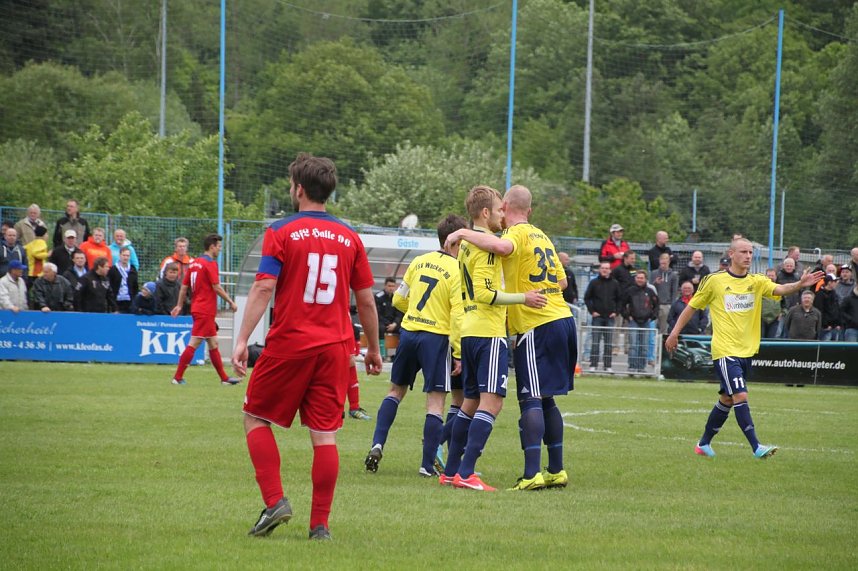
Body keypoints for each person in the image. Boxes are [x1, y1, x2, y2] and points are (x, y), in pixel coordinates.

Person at [230, 153, 383, 541]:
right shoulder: (350, 237)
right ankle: (320, 526)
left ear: (298, 189)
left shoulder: (281, 231)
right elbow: (366, 300)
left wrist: (242, 339)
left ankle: (275, 502)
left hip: (290, 343)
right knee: (324, 435)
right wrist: (373, 348)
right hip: (335, 348)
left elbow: (263, 287)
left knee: (255, 417)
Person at [444, 185, 575, 491]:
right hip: (562, 318)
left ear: (507, 207)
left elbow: (501, 250)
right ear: (529, 210)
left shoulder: (509, 236)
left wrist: (462, 233)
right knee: (544, 398)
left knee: (528, 398)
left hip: (533, 323)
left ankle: (529, 474)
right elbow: (563, 281)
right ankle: (555, 469)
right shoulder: (542, 235)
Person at [666, 237, 823, 460]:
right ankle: (756, 447)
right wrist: (674, 333)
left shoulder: (756, 281)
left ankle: (703, 444)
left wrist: (799, 284)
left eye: (750, 252)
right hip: (725, 351)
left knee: (727, 399)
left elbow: (780, 289)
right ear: (731, 254)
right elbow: (692, 307)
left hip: (747, 351)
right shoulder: (714, 281)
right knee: (740, 395)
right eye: (743, 252)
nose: (748, 256)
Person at [365, 214, 467, 478]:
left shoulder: (419, 261)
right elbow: (457, 315)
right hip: (436, 338)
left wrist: (417, 312)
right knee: (435, 403)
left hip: (409, 333)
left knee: (394, 392)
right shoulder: (458, 270)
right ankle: (426, 464)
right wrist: (458, 352)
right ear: (454, 242)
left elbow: (398, 300)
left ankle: (377, 443)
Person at [169, 234, 239, 386]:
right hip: (205, 309)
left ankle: (224, 379)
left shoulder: (194, 263)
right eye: (219, 246)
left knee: (213, 343)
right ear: (212, 247)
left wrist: (179, 305)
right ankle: (177, 377)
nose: (220, 249)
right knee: (194, 342)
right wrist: (231, 302)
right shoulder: (210, 264)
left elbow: (184, 287)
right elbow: (216, 287)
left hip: (198, 308)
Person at [584, 261, 622, 372]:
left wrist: (616, 312)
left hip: (610, 317)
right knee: (595, 342)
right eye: (603, 268)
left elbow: (620, 299)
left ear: (610, 270)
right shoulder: (594, 283)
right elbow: (587, 298)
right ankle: (593, 365)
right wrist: (592, 311)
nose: (604, 270)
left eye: (607, 268)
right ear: (600, 269)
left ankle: (607, 366)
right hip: (597, 317)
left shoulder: (615, 283)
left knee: (608, 343)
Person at [622, 270, 659, 372]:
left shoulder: (650, 291)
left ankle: (641, 368)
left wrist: (652, 317)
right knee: (633, 345)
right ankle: (632, 367)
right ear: (635, 278)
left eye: (642, 278)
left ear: (645, 279)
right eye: (638, 278)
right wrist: (627, 316)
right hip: (633, 321)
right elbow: (622, 305)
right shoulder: (630, 291)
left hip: (646, 322)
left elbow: (656, 305)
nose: (640, 280)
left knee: (644, 346)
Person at [375, 277, 403, 361]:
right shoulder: (378, 297)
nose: (391, 288)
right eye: (389, 286)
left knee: (404, 330)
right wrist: (388, 324)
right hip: (382, 322)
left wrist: (395, 324)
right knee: (380, 328)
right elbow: (377, 313)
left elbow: (399, 313)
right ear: (385, 286)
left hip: (393, 323)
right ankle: (382, 354)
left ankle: (398, 355)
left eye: (393, 286)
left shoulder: (397, 297)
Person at [649, 252, 678, 334]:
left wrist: (671, 305)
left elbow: (674, 291)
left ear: (669, 262)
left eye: (665, 262)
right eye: (662, 262)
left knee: (664, 329)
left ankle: (662, 342)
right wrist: (655, 283)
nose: (663, 264)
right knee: (652, 327)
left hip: (666, 305)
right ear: (659, 261)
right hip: (654, 305)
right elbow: (649, 288)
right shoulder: (654, 273)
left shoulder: (673, 275)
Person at [107, 247, 139, 313]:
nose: (126, 257)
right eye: (124, 255)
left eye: (127, 256)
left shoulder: (133, 269)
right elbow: (110, 287)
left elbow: (135, 287)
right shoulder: (113, 269)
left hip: (129, 302)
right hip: (116, 301)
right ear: (119, 255)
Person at [814, 275, 842, 341]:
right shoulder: (820, 294)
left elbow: (837, 309)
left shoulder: (834, 294)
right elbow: (819, 311)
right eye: (835, 281)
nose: (836, 283)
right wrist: (825, 325)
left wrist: (838, 323)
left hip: (835, 327)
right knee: (824, 346)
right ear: (829, 282)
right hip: (826, 328)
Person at [760, 268, 782, 338]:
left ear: (776, 277)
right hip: (761, 319)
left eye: (772, 276)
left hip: (775, 319)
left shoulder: (780, 288)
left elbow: (785, 304)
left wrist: (782, 313)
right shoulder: (761, 288)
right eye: (769, 275)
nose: (771, 277)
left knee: (772, 339)